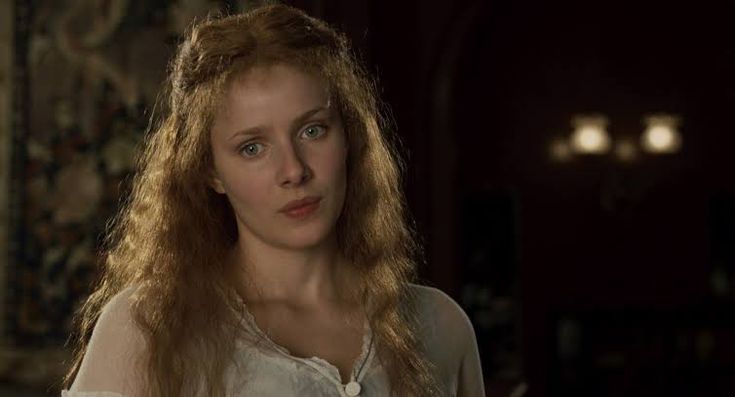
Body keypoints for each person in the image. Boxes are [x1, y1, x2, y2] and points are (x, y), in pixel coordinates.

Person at [62, 4, 484, 397]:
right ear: (210, 170)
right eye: (252, 147)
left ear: (350, 137)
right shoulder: (147, 331)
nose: (294, 170)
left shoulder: (439, 327)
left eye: (313, 130)